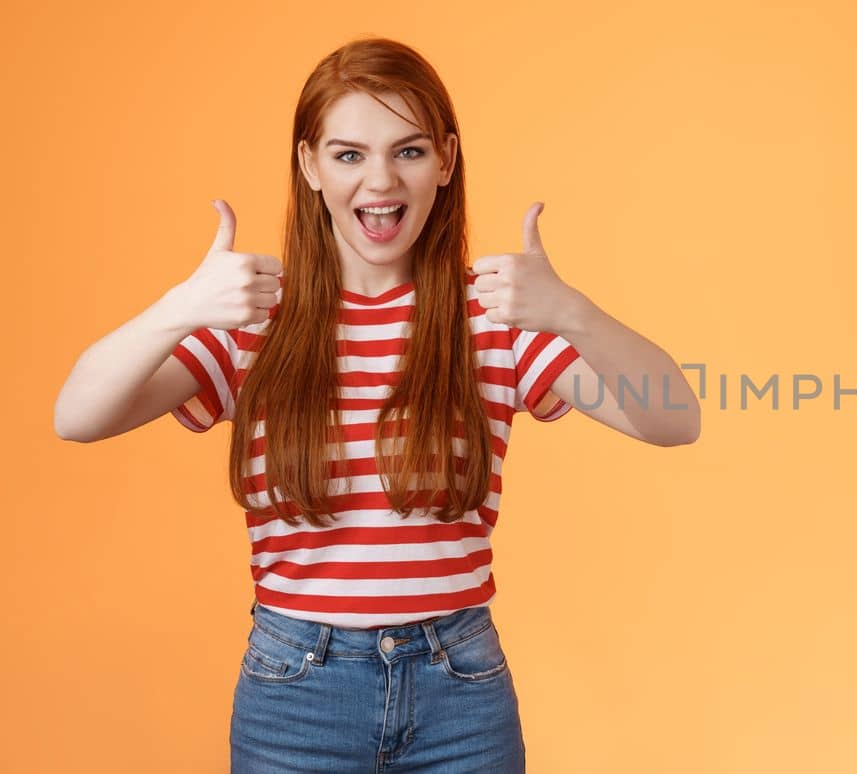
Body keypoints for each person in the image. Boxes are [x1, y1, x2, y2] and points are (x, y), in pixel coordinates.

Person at [53, 37, 700, 772]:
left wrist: (572, 311)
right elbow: (77, 417)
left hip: (460, 689)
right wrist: (179, 308)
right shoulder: (254, 320)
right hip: (295, 690)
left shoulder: (492, 318)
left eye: (410, 151)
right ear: (310, 167)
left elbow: (675, 419)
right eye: (350, 154)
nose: (381, 180)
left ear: (447, 161)